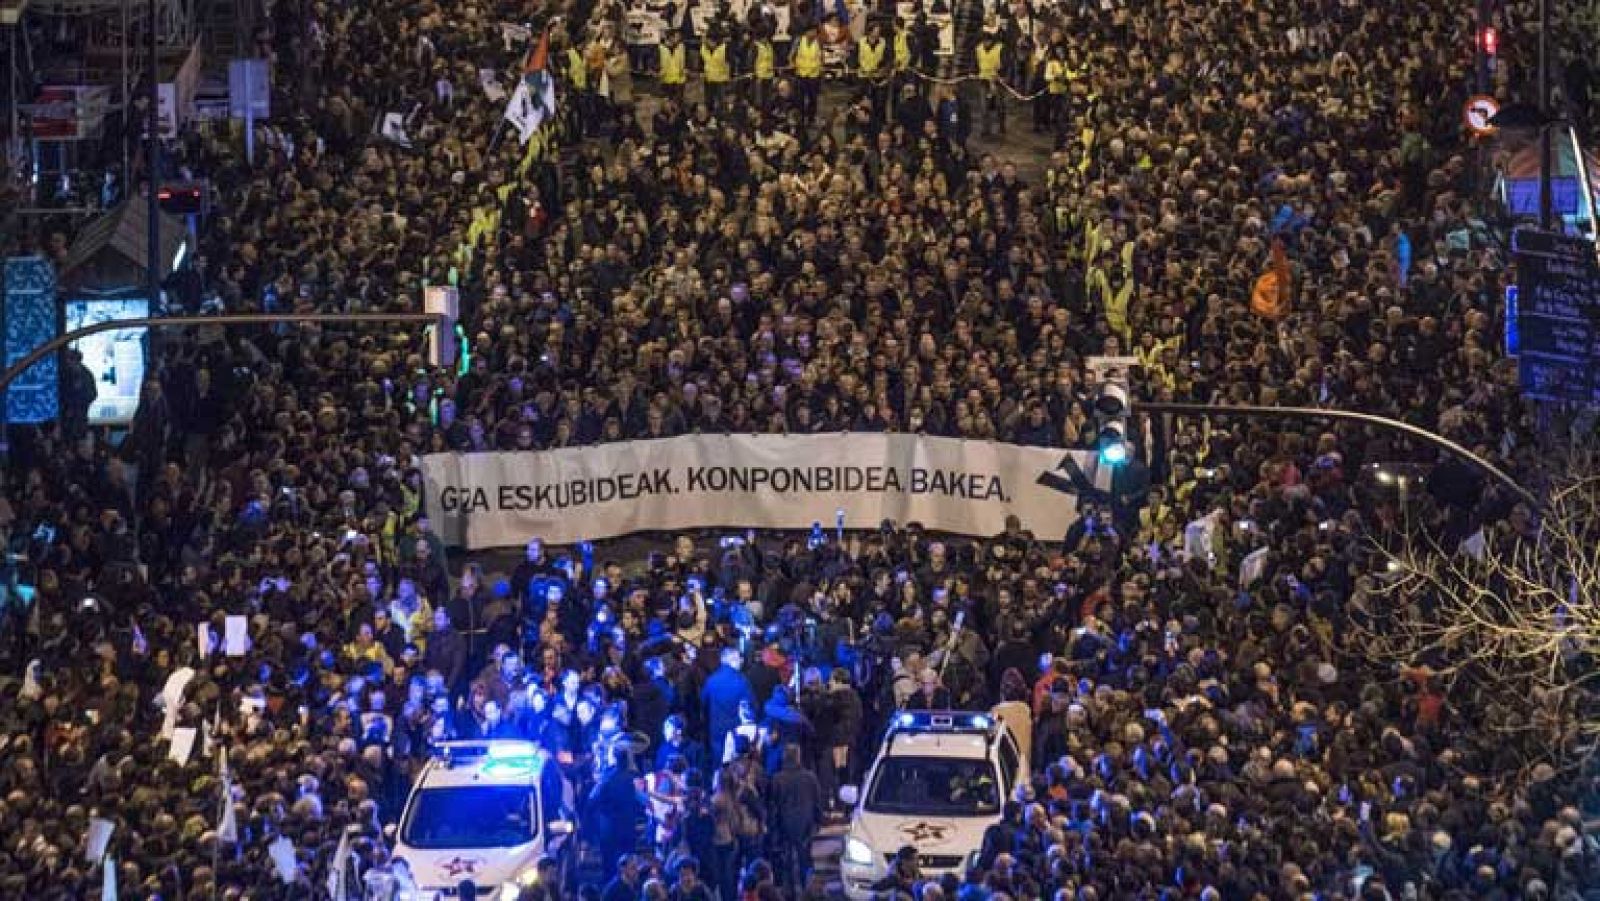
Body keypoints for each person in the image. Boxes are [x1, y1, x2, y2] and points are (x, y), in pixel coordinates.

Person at [768, 744, 822, 889]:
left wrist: (773, 829)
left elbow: (774, 807)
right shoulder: (810, 777)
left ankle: (790, 893)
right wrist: (817, 823)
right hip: (806, 826)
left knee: (787, 865)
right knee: (806, 861)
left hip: (785, 826)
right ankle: (808, 891)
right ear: (798, 757)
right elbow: (817, 803)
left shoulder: (777, 779)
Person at [701, 646, 753, 763]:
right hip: (736, 731)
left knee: (718, 764)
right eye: (739, 658)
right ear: (731, 660)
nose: (741, 661)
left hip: (716, 731)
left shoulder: (711, 680)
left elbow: (703, 704)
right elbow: (751, 706)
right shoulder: (742, 681)